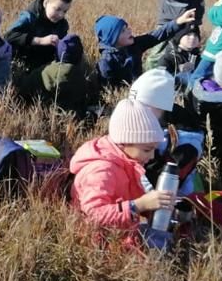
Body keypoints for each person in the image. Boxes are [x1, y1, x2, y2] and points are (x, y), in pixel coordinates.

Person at [69, 99, 176, 247]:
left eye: (153, 149)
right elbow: (94, 214)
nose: (152, 156)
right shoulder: (102, 170)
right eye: (147, 149)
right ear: (124, 142)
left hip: (118, 230)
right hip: (97, 241)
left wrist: (153, 208)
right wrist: (139, 205)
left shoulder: (126, 162)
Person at [94, 9, 196, 90]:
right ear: (113, 39)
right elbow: (108, 90)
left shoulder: (135, 45)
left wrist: (178, 22)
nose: (129, 30)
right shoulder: (106, 62)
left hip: (141, 90)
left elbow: (158, 35)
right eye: (123, 31)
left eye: (127, 27)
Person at [16, 34, 90, 118]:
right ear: (79, 57)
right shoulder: (80, 77)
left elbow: (23, 89)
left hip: (39, 115)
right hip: (69, 119)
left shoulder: (43, 70)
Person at [3, 0, 73, 71]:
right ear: (45, 3)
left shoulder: (62, 25)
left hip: (45, 64)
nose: (61, 15)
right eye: (57, 9)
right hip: (22, 65)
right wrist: (39, 41)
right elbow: (8, 36)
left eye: (65, 11)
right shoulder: (29, 17)